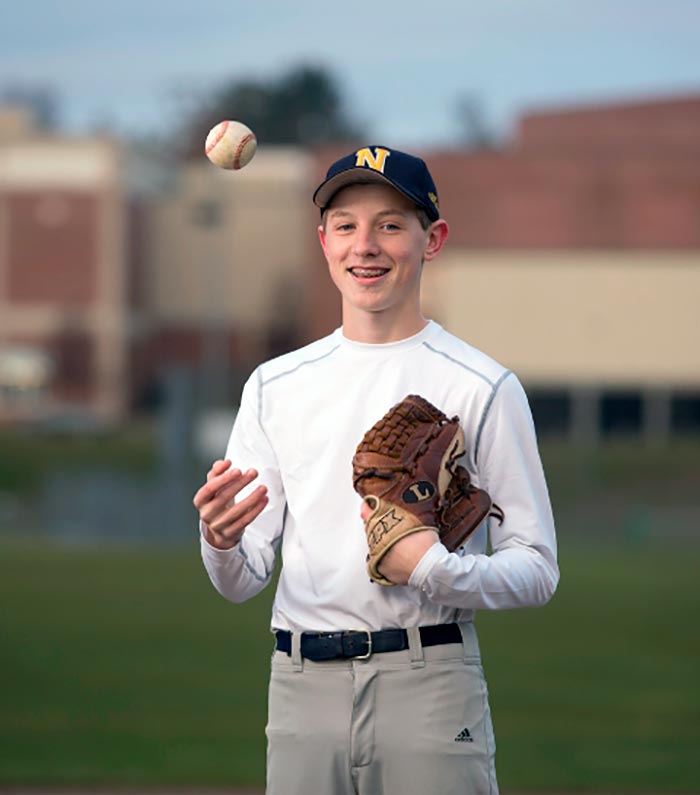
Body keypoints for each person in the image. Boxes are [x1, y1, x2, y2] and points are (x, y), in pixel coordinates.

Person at [193, 145, 559, 795]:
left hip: (430, 679)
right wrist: (219, 541)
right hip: (301, 685)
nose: (366, 245)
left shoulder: (482, 385)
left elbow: (537, 569)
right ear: (324, 242)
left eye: (390, 224)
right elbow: (243, 578)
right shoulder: (275, 385)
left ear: (433, 238)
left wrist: (431, 568)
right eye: (345, 226)